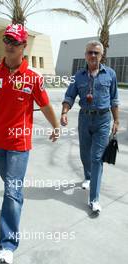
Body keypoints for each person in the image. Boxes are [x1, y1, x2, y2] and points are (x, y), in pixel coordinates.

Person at [0, 23, 59, 264]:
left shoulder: (33, 77)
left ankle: (7, 246)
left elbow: (45, 105)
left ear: (24, 45)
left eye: (15, 42)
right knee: (13, 189)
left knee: (12, 192)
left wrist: (56, 126)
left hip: (19, 144)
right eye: (6, 40)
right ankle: (14, 202)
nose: (9, 46)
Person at [61, 40, 119, 214]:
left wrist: (116, 120)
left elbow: (114, 99)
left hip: (103, 120)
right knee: (84, 153)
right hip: (84, 119)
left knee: (96, 158)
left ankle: (94, 199)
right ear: (85, 55)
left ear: (102, 55)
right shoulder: (78, 76)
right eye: (90, 52)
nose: (93, 55)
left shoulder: (110, 74)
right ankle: (87, 176)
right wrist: (64, 112)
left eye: (96, 53)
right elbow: (69, 96)